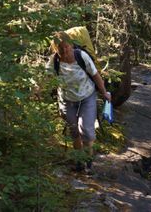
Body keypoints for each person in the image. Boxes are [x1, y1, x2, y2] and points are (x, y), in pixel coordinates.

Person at [47, 31, 111, 172]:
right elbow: (45, 78)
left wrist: (104, 92)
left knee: (86, 131)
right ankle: (78, 161)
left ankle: (88, 162)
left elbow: (95, 75)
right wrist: (36, 90)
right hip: (66, 100)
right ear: (56, 48)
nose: (65, 50)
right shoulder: (54, 61)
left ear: (71, 44)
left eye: (67, 46)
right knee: (74, 131)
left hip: (87, 97)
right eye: (61, 48)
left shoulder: (81, 56)